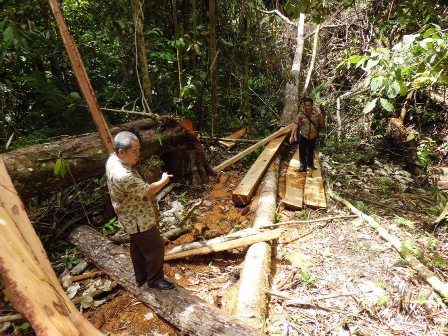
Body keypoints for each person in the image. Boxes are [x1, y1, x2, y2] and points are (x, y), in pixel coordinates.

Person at [106, 131, 175, 289]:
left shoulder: (113, 159)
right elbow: (148, 190)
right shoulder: (122, 175)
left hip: (129, 215)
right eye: (135, 151)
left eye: (139, 150)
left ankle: (141, 277)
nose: (139, 155)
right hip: (137, 218)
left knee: (137, 245)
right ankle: (155, 279)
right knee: (156, 246)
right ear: (121, 152)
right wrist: (163, 181)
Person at [289, 98, 325, 172]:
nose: (307, 107)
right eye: (306, 105)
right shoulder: (301, 115)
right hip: (303, 136)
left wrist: (320, 115)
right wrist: (292, 135)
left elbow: (322, 123)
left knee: (311, 151)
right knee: (302, 152)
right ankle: (303, 167)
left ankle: (311, 165)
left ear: (312, 105)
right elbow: (295, 124)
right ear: (304, 106)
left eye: (309, 105)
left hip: (313, 136)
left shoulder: (316, 114)